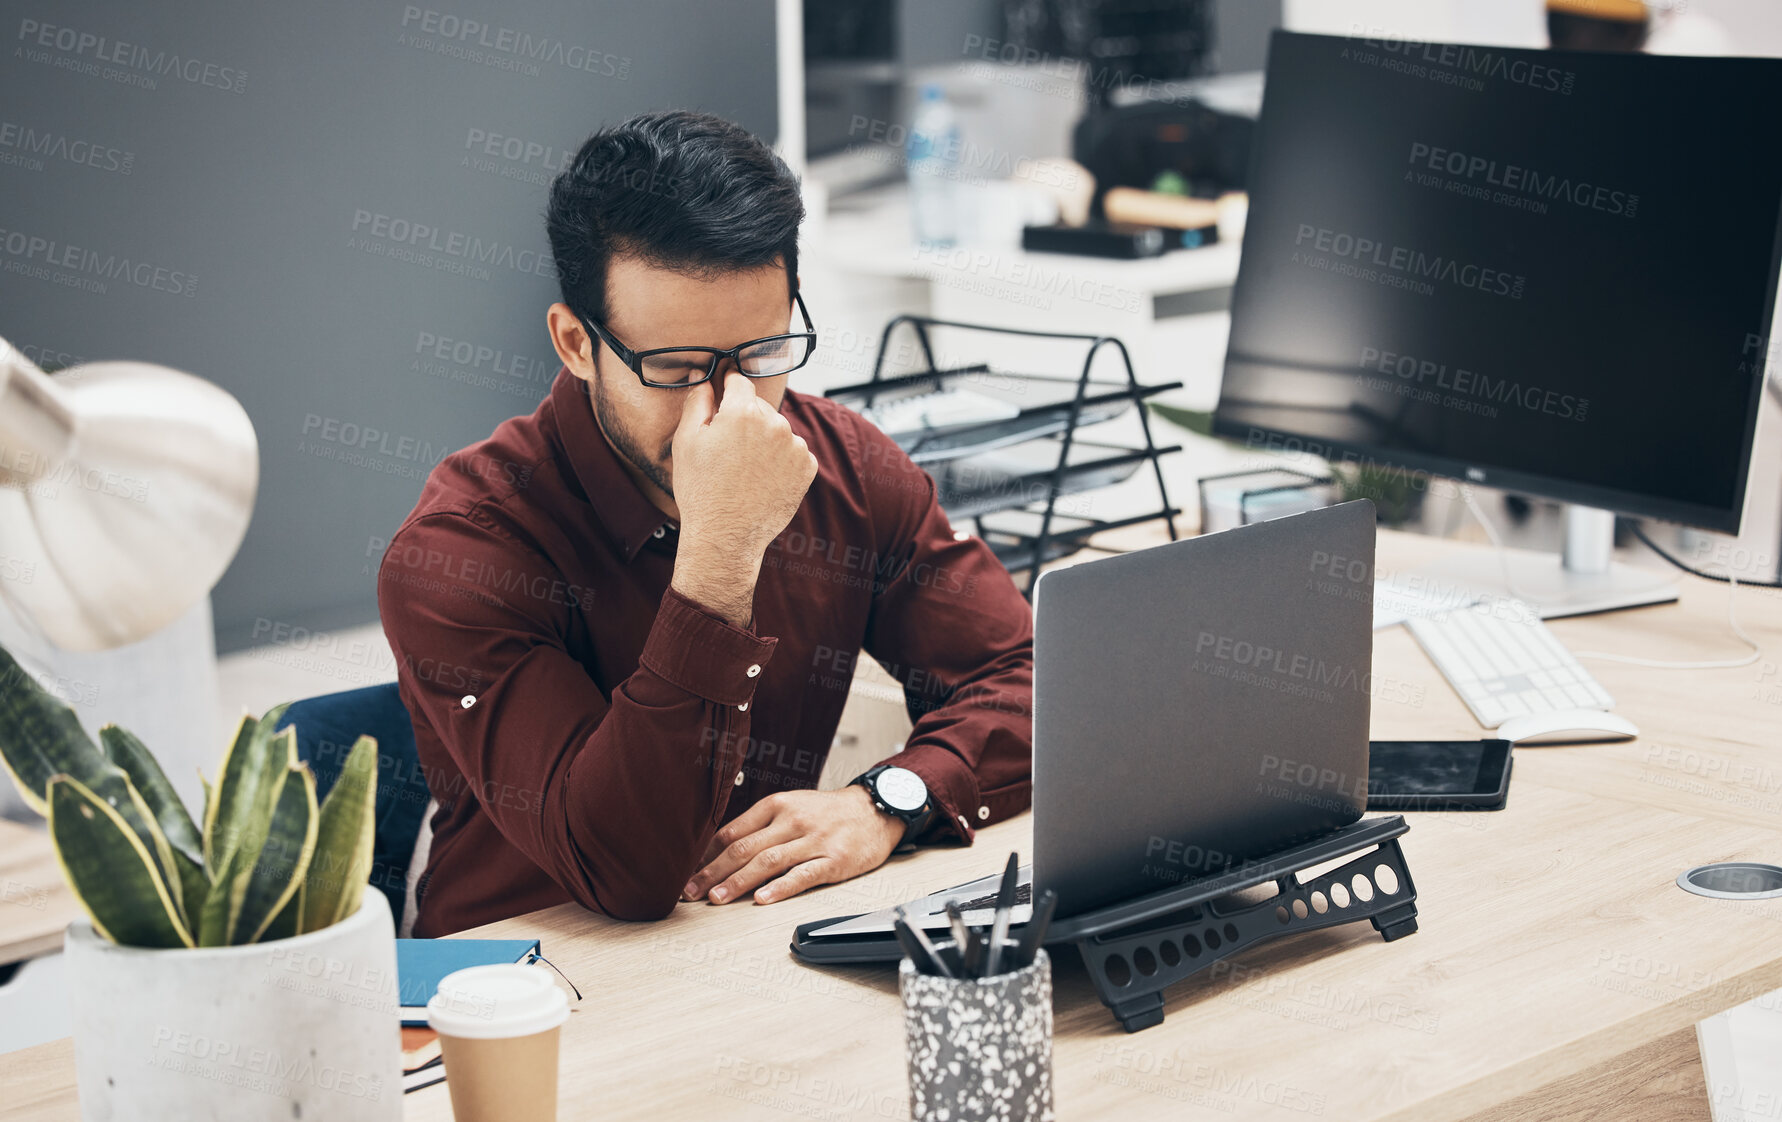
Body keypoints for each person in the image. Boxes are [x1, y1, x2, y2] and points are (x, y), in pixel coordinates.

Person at [377, 110, 1035, 937]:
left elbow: (1032, 678)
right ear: (576, 343)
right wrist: (721, 554)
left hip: (747, 949)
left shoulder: (848, 468)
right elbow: (627, 870)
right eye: (676, 368)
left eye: (759, 357)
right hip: (530, 974)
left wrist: (889, 801)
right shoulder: (461, 550)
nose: (723, 408)